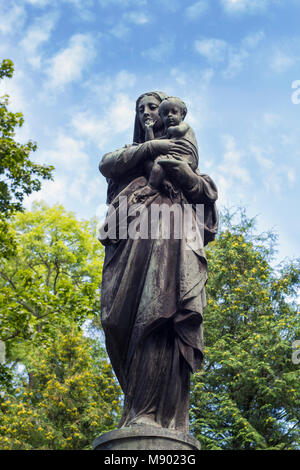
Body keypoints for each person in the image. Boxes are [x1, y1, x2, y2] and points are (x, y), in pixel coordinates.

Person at [98, 91, 218, 432]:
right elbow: (106, 163)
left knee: (160, 316)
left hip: (170, 237)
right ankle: (138, 408)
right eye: (141, 109)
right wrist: (150, 148)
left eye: (154, 107)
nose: (148, 113)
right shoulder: (130, 155)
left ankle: (153, 414)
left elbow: (205, 193)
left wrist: (182, 174)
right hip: (128, 243)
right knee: (116, 322)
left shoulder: (182, 148)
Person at [144, 96, 198, 191]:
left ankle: (150, 187)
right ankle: (163, 181)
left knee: (160, 161)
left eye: (174, 112)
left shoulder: (183, 125)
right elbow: (152, 143)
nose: (169, 115)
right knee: (148, 163)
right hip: (175, 155)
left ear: (182, 114)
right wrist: (149, 130)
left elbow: (179, 131)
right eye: (165, 114)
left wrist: (169, 129)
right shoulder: (170, 133)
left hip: (187, 157)